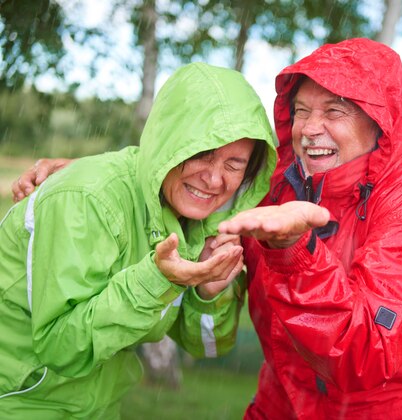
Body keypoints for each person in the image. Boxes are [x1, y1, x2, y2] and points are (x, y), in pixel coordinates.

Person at [13, 38, 402, 419]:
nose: (310, 129)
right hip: (287, 402)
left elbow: (363, 353)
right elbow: (187, 170)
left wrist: (294, 247)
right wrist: (92, 176)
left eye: (334, 112)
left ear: (380, 123)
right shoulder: (280, 187)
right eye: (300, 111)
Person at [0, 62, 277, 417]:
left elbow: (204, 345)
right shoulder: (87, 200)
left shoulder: (197, 222)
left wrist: (209, 293)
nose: (214, 178)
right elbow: (62, 348)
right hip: (18, 403)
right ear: (169, 142)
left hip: (96, 407)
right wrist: (156, 280)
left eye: (234, 164)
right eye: (201, 153)